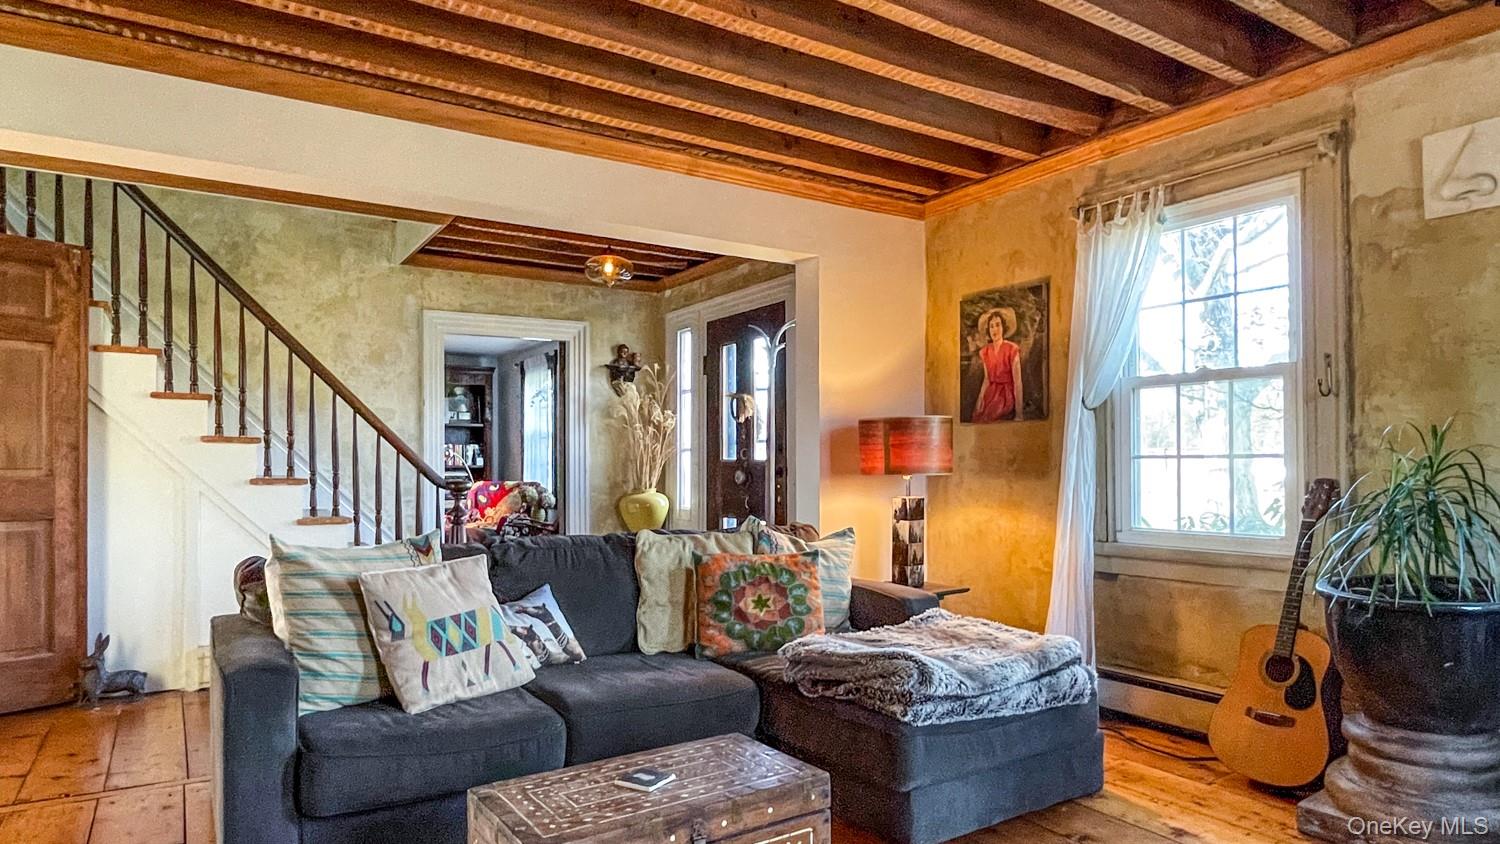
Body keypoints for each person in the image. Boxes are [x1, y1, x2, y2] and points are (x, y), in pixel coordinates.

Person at [969, 307, 1025, 422]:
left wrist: (1019, 414)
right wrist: (980, 400)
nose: (995, 329)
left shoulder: (1012, 349)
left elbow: (1017, 382)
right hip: (990, 393)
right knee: (977, 416)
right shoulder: (985, 351)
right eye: (992, 326)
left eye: (998, 325)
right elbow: (987, 379)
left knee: (992, 415)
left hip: (1006, 395)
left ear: (1003, 327)